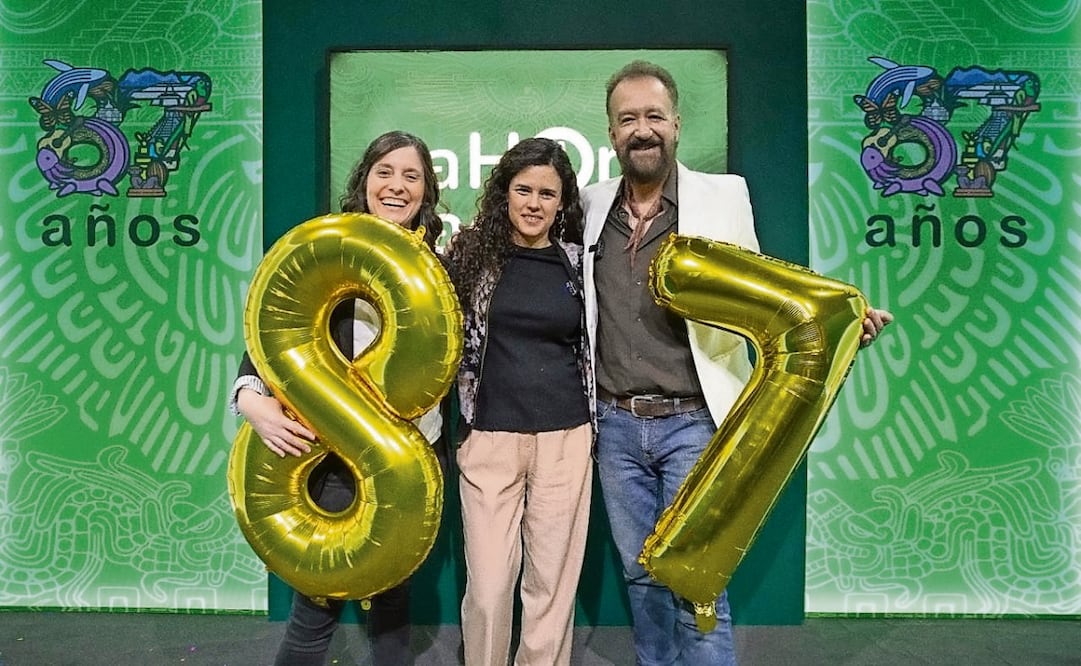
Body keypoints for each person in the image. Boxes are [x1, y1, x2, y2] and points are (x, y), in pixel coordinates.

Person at [580, 61, 893, 665]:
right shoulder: (591, 205)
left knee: (698, 582)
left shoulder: (725, 195)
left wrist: (842, 315)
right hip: (614, 426)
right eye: (627, 119)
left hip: (694, 422)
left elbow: (766, 290)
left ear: (675, 123)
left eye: (653, 116)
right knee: (641, 580)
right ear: (612, 133)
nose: (641, 130)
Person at [228, 130, 447, 666]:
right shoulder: (327, 250)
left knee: (393, 601)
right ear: (364, 180)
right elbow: (278, 335)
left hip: (408, 456)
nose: (397, 186)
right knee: (315, 605)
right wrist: (248, 397)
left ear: (427, 191)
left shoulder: (440, 262)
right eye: (385, 172)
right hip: (326, 455)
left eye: (411, 176)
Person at [447, 137, 593, 666]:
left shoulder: (580, 265)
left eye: (547, 194)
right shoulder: (466, 258)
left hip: (566, 438)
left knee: (550, 590)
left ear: (562, 202)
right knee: (487, 590)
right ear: (504, 193)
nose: (534, 203)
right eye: (523, 190)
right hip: (488, 436)